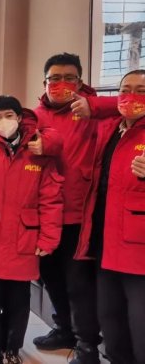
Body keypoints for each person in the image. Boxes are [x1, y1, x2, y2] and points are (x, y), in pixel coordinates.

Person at [0, 95, 63, 364]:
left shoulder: (38, 150)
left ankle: (13, 349)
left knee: (19, 299)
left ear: (19, 117)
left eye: (8, 115)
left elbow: (51, 198)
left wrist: (49, 238)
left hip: (23, 237)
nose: (3, 121)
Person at [32, 53, 118, 364]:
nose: (61, 84)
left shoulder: (95, 112)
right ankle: (64, 329)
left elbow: (131, 103)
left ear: (80, 82)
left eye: (69, 78)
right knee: (50, 276)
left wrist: (95, 106)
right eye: (54, 78)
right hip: (45, 215)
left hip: (80, 215)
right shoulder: (36, 116)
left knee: (79, 283)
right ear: (45, 82)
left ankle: (87, 347)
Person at [76, 70, 145, 364]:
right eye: (125, 89)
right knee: (110, 319)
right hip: (106, 241)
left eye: (141, 90)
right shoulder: (112, 128)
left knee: (140, 326)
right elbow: (97, 106)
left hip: (139, 249)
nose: (131, 97)